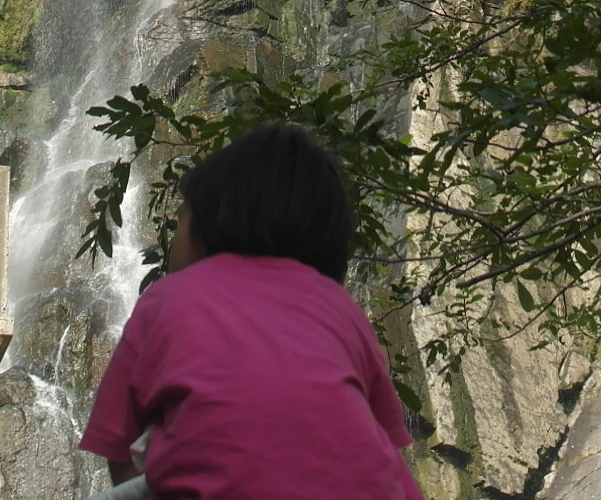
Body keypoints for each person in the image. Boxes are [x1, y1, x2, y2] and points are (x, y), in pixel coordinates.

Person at [79, 123, 427, 500]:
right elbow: (386, 440)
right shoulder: (342, 310)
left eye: (180, 220)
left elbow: (118, 444)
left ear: (206, 231)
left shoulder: (167, 297)